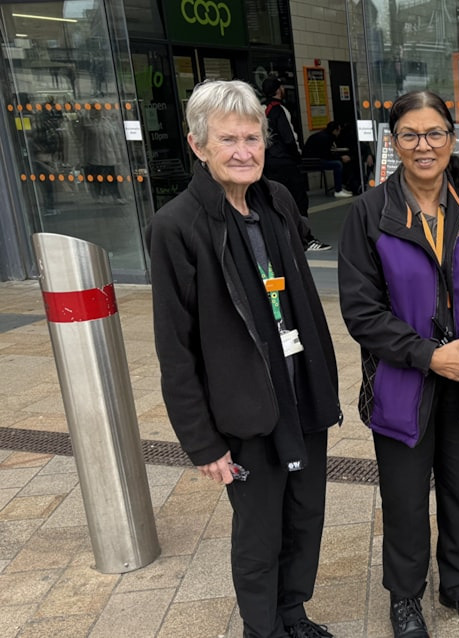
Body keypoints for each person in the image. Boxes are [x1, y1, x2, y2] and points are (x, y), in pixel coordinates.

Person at [147, 79, 342, 638]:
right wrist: (202, 441)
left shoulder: (276, 199)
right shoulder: (176, 226)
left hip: (301, 391)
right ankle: (264, 628)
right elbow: (174, 346)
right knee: (259, 532)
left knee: (305, 516)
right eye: (227, 139)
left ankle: (293, 613)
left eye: (252, 138)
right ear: (198, 145)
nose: (243, 151)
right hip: (245, 407)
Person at [337, 91, 459, 638]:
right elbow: (361, 312)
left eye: (434, 133)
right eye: (410, 135)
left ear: (451, 139)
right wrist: (428, 355)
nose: (424, 146)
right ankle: (405, 597)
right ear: (394, 145)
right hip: (401, 384)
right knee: (406, 500)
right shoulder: (369, 213)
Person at [262, 75, 332, 251]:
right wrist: (296, 156)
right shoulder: (280, 110)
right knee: (298, 200)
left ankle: (283, 238)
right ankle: (306, 239)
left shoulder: (261, 110)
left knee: (275, 201)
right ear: (278, 90)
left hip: (268, 162)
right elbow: (288, 138)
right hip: (285, 163)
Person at [302, 121, 354, 198]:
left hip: (310, 160)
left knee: (338, 163)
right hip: (313, 162)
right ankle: (338, 190)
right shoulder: (326, 138)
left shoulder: (322, 135)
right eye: (339, 130)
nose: (339, 133)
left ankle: (339, 187)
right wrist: (340, 158)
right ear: (334, 130)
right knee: (338, 164)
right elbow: (327, 155)